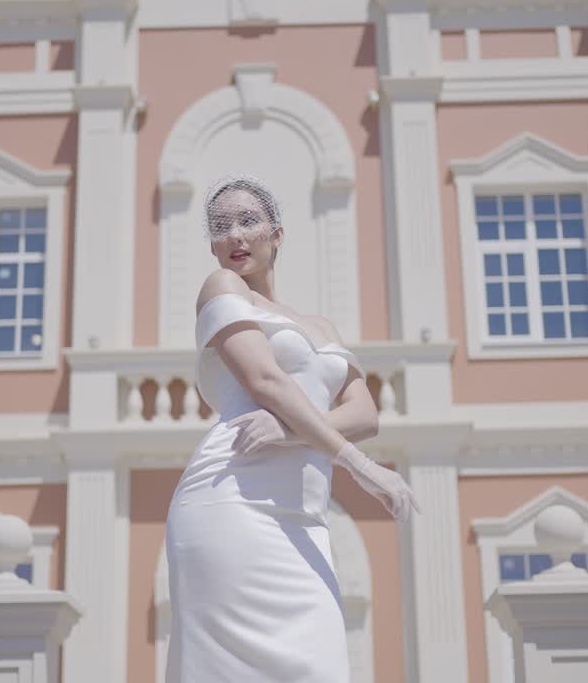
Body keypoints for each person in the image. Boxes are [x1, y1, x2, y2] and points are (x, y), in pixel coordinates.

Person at [164, 175, 420, 682]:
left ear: (277, 233)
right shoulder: (222, 288)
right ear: (212, 244)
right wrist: (360, 466)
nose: (235, 235)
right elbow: (265, 381)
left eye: (248, 220)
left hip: (305, 519)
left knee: (320, 666)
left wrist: (289, 431)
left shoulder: (322, 327)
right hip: (231, 500)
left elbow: (365, 414)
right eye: (221, 225)